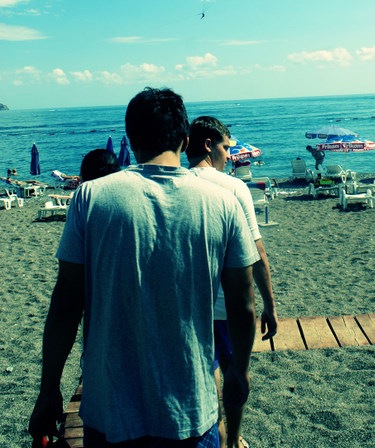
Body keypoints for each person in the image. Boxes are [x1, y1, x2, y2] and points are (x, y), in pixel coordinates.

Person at [28, 87, 258, 448]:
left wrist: (49, 389)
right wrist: (239, 371)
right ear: (185, 140)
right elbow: (243, 302)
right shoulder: (223, 202)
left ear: (132, 140)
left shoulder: (90, 197)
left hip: (110, 411)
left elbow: (66, 304)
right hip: (190, 408)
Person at [186, 116, 277, 448]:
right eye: (226, 148)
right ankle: (233, 439)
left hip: (190, 309)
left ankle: (218, 433)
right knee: (236, 374)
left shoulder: (176, 184)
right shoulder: (233, 187)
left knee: (205, 382)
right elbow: (256, 253)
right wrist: (269, 305)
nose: (229, 155)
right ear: (209, 145)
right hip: (228, 307)